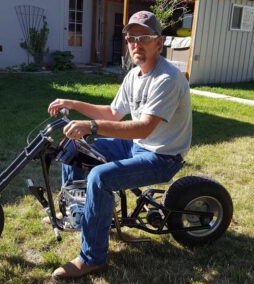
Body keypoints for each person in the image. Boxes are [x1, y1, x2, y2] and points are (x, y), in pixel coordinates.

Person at [48, 10, 192, 280]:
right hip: (137, 146)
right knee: (73, 149)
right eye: (130, 37)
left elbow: (143, 127)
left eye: (144, 37)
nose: (136, 43)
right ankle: (77, 213)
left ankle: (92, 258)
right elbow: (112, 114)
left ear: (158, 42)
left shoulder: (168, 79)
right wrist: (72, 103)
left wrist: (90, 127)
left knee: (101, 177)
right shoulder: (134, 76)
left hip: (162, 156)